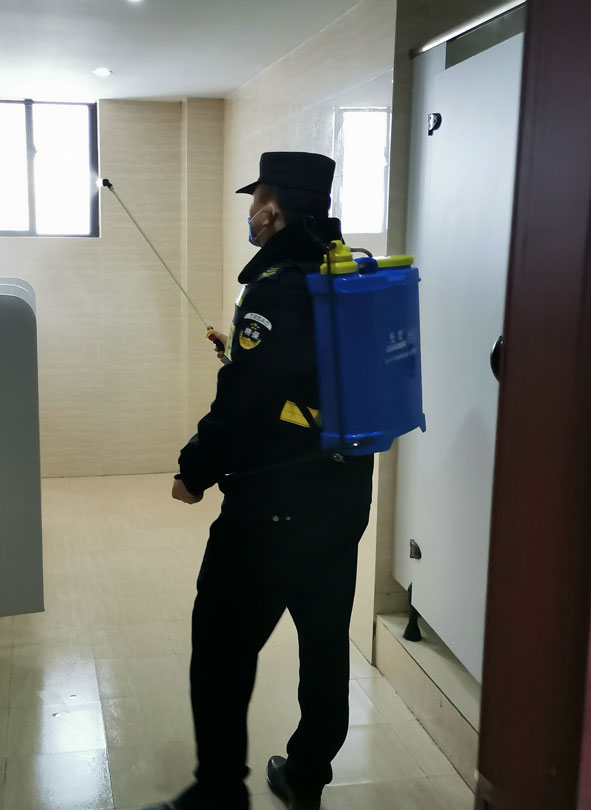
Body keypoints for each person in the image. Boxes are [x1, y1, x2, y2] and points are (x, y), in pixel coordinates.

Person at [146, 152, 375, 810]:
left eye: (255, 202)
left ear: (272, 210)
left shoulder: (276, 287)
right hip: (343, 496)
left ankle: (219, 791)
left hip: (273, 508)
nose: (251, 214)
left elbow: (242, 403)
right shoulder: (346, 274)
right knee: (324, 644)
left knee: (221, 647)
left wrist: (194, 470)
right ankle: (307, 774)